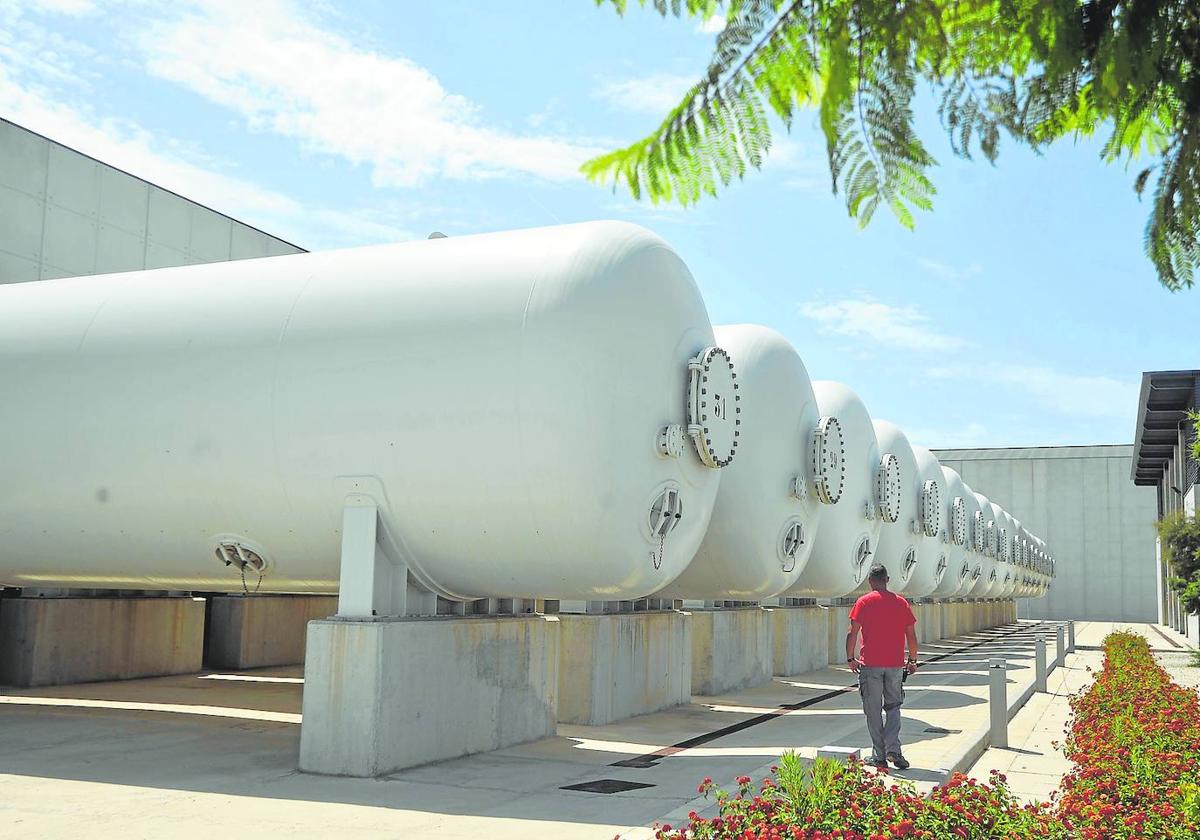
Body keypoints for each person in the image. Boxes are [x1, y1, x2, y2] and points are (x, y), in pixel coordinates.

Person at [846, 563, 919, 770]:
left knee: (873, 710)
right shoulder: (901, 603)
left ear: (870, 581)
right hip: (895, 665)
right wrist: (912, 661)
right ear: (887, 580)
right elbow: (911, 636)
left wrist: (850, 658)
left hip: (870, 665)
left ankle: (879, 755)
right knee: (894, 707)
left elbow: (853, 632)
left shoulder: (863, 602)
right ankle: (893, 750)